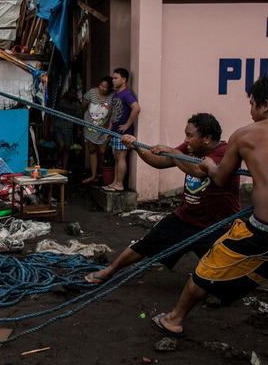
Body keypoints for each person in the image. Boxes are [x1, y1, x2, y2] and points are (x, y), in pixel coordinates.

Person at [152, 73, 268, 358]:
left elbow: (221, 179)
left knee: (209, 266)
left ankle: (174, 319)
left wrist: (208, 166)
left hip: (267, 232)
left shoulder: (246, 134)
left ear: (265, 105)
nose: (250, 111)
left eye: (251, 104)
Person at [84, 113, 240, 282]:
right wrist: (136, 147)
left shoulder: (224, 153)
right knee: (145, 244)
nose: (186, 140)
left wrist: (171, 151)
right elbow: (158, 161)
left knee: (220, 275)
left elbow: (198, 170)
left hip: (218, 225)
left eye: (190, 136)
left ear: (208, 138)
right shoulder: (190, 149)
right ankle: (110, 271)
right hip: (187, 217)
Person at [103, 68, 140, 192]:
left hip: (123, 133)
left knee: (121, 156)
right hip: (114, 132)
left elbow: (136, 108)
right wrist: (109, 130)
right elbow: (114, 114)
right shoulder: (116, 95)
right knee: (116, 156)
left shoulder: (127, 94)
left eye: (115, 78)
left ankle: (119, 184)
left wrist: (127, 125)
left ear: (123, 80)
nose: (113, 80)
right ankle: (115, 182)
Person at [79, 76, 115, 184]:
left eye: (105, 87)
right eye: (101, 85)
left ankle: (101, 173)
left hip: (104, 128)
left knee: (103, 151)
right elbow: (84, 106)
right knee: (92, 151)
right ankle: (94, 175)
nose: (102, 88)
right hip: (90, 127)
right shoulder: (92, 93)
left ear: (110, 89)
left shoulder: (113, 95)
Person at [51, 86, 80, 169]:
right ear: (68, 93)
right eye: (71, 93)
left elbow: (77, 118)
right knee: (62, 145)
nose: (72, 95)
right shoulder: (61, 103)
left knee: (67, 148)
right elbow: (53, 114)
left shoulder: (75, 106)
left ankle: (64, 168)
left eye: (74, 93)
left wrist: (78, 129)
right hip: (58, 126)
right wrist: (51, 127)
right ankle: (58, 160)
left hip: (68, 128)